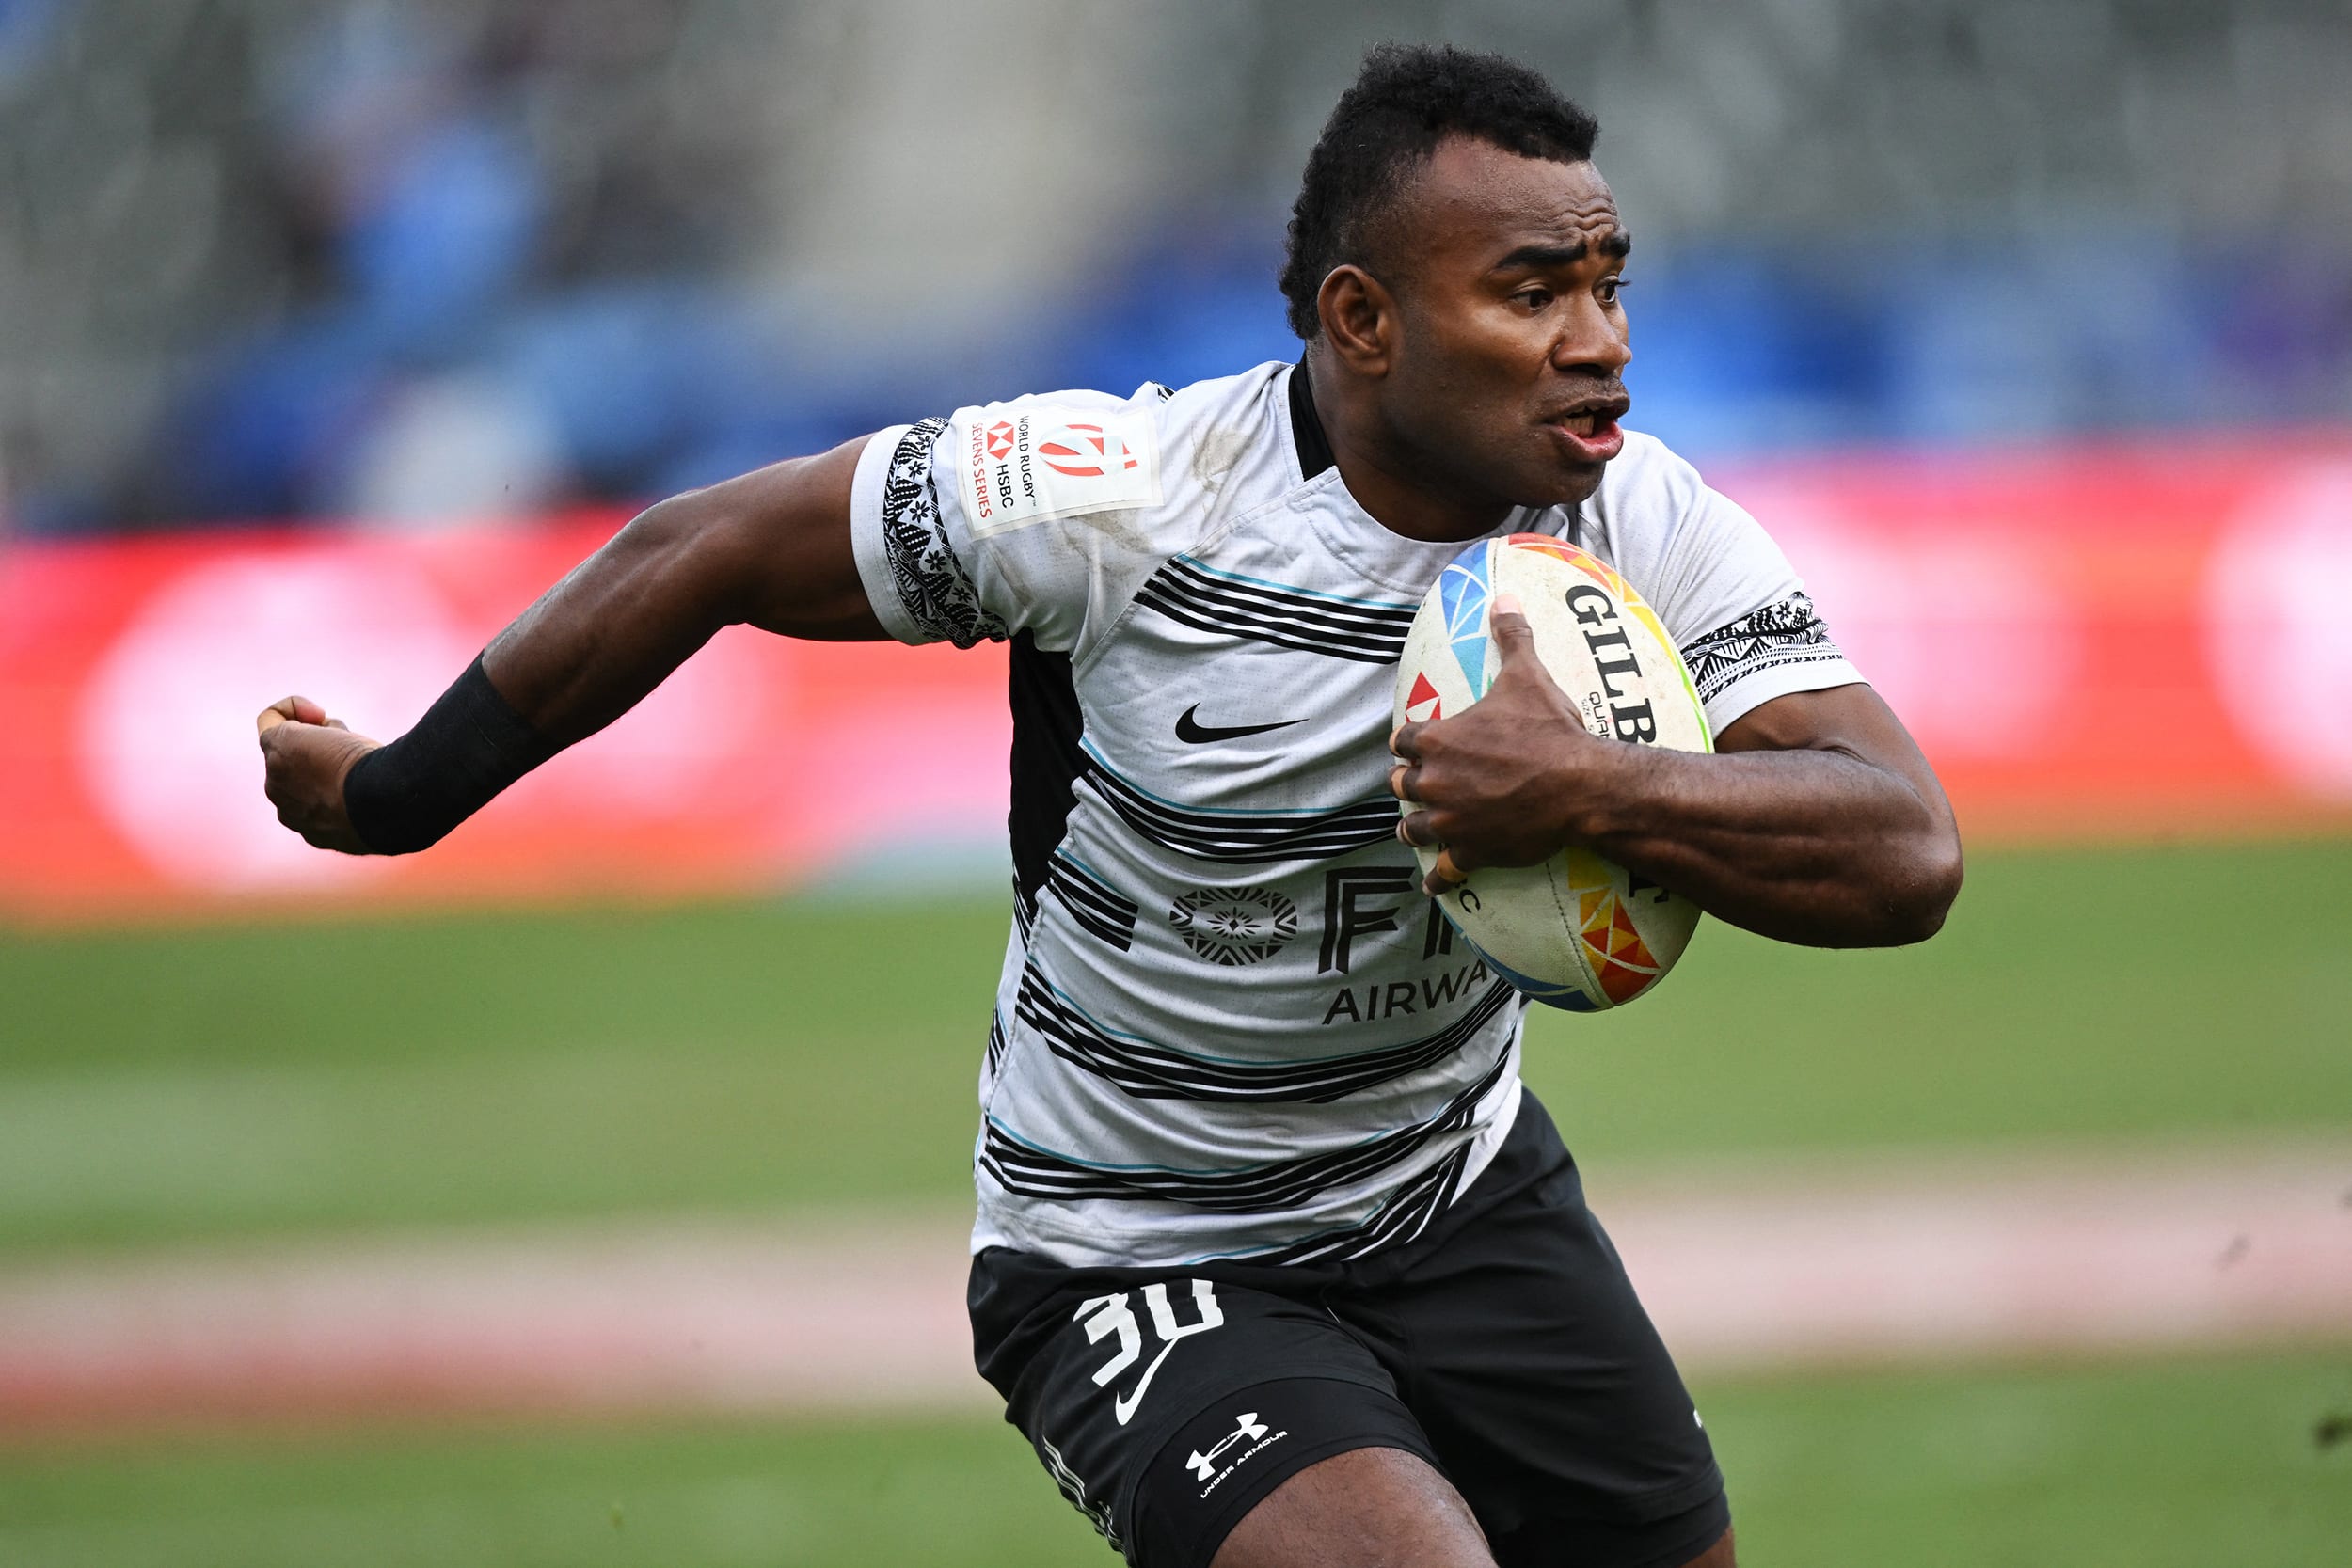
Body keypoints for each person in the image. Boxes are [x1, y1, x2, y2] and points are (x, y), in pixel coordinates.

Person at [258, 42, 1961, 1568]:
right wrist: (402, 794)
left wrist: (1585, 784)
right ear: (1364, 321)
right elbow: (698, 550)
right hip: (1135, 1245)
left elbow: (1906, 850)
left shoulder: (1635, 517)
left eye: (1610, 284)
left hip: (1458, 1190)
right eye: (1533, 293)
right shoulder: (1121, 504)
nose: (1602, 346)